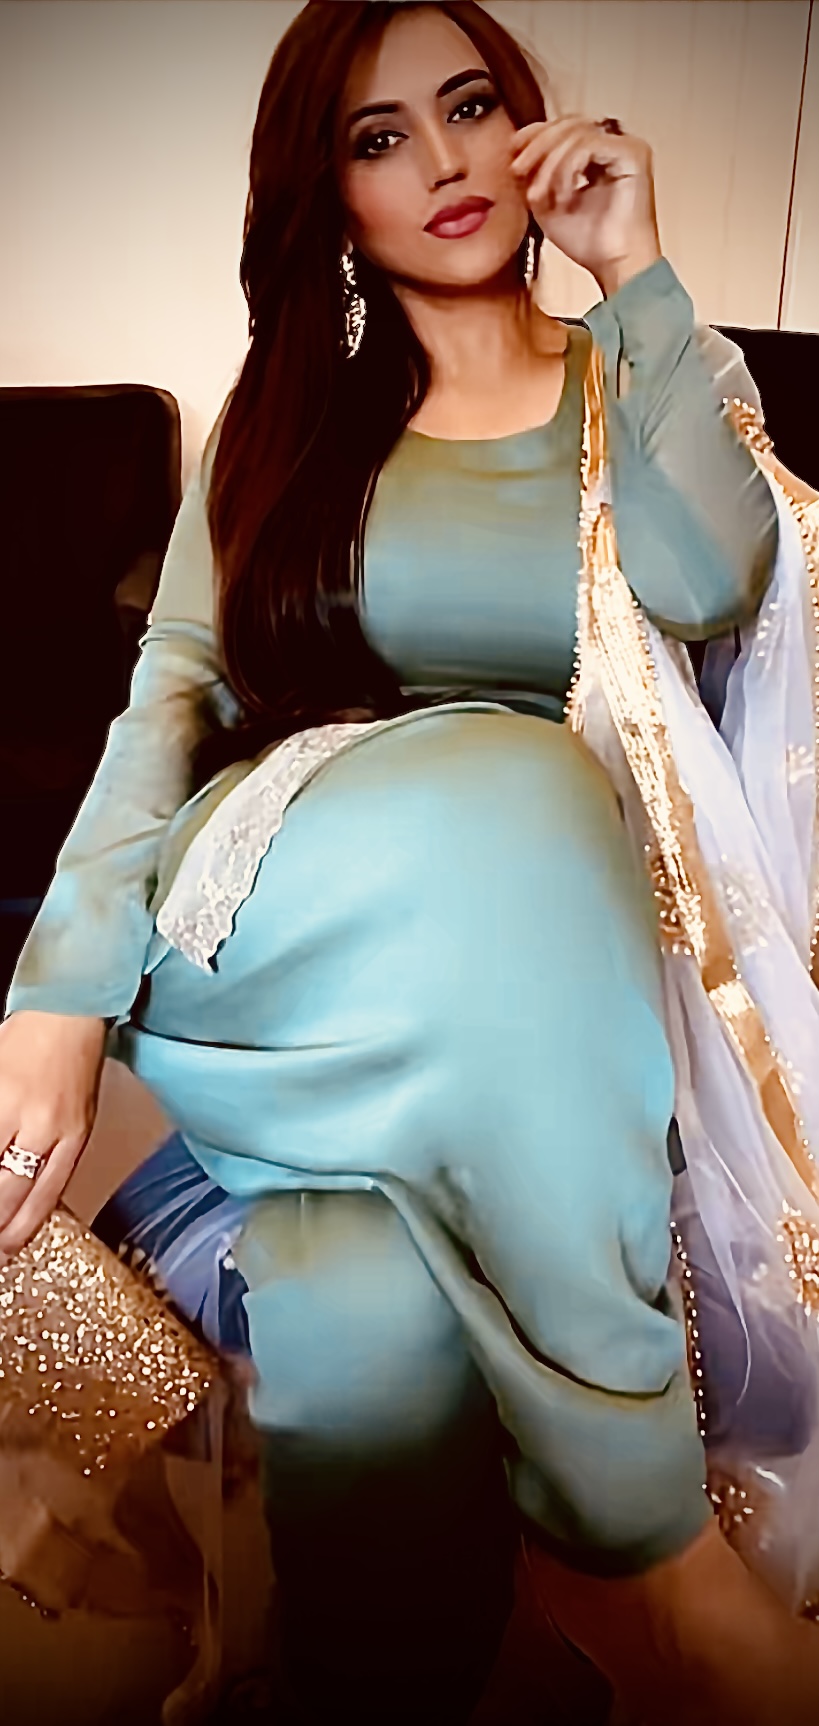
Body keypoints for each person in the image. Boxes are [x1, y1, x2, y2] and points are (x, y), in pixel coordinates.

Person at [1, 4, 818, 1722]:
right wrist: (56, 990)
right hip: (283, 912)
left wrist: (636, 275)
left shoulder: (645, 371)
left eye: (468, 107)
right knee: (515, 781)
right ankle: (649, 1552)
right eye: (380, 138)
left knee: (362, 1302)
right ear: (333, 195)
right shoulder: (287, 419)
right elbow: (169, 703)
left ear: (531, 127)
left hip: (549, 970)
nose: (442, 161)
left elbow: (716, 587)